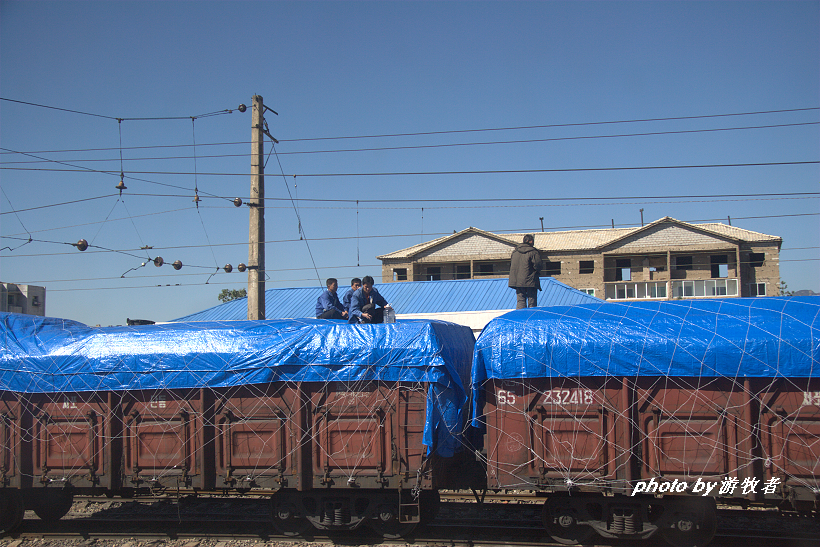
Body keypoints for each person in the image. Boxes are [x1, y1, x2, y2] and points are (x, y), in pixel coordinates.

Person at [508, 234, 542, 309]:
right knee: (532, 302)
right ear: (530, 241)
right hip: (530, 281)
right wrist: (537, 272)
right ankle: (531, 318)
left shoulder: (515, 252)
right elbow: (538, 265)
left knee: (520, 301)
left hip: (518, 281)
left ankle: (521, 318)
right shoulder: (533, 252)